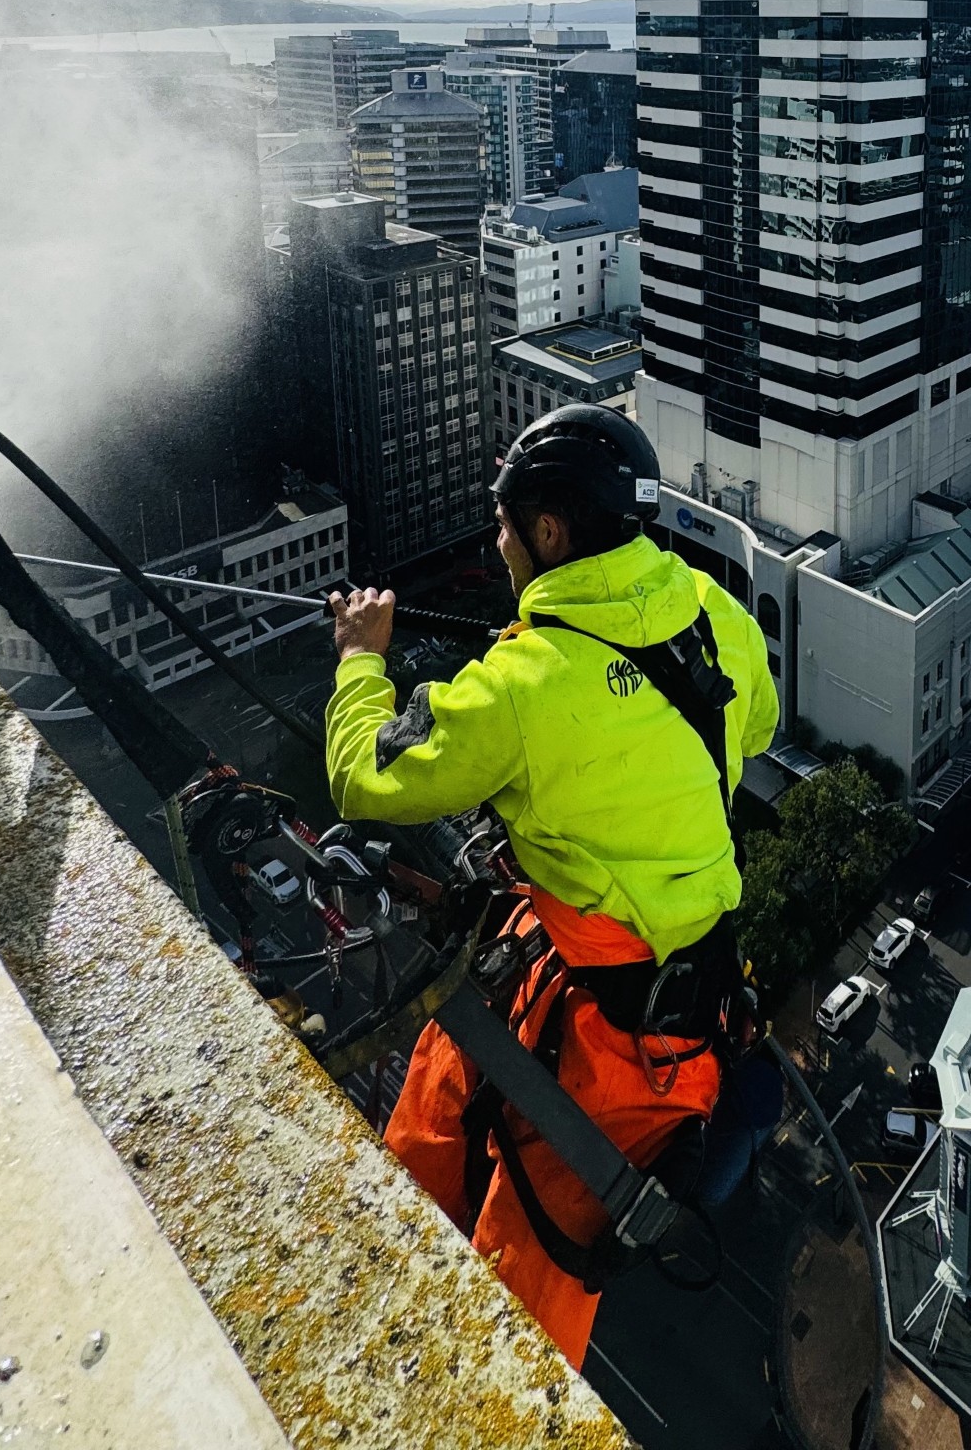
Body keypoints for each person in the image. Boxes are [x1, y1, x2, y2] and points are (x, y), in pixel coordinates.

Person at [325, 406, 778, 1366]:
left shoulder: (522, 686)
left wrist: (362, 658)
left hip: (614, 1051)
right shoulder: (711, 610)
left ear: (550, 530)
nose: (497, 544)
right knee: (433, 1123)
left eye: (505, 525)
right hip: (642, 995)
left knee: (517, 1321)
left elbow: (365, 772)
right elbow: (760, 723)